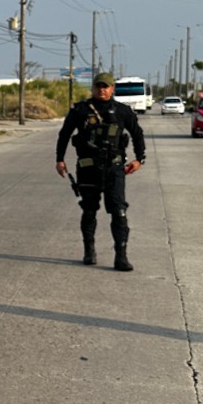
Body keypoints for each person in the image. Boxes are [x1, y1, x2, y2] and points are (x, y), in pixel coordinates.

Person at [55, 72, 146, 271]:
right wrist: (59, 159)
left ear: (112, 88)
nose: (101, 90)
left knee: (119, 211)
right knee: (89, 210)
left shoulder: (122, 111)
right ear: (93, 88)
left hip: (114, 168)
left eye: (105, 86)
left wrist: (139, 159)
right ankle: (89, 251)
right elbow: (65, 134)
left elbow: (137, 134)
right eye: (98, 86)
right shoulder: (80, 110)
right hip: (88, 167)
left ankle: (121, 256)